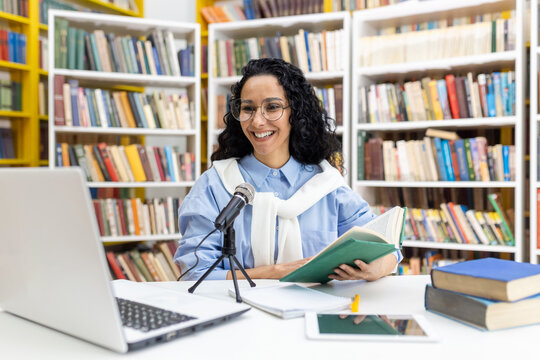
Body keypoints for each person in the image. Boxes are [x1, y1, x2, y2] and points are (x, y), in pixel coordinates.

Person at [174, 58, 401, 281]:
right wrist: (277, 273)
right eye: (248, 108)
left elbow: (385, 247)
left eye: (272, 107)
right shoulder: (215, 185)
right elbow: (195, 273)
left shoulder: (326, 185)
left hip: (314, 312)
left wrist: (377, 268)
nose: (257, 121)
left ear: (296, 112)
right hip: (240, 314)